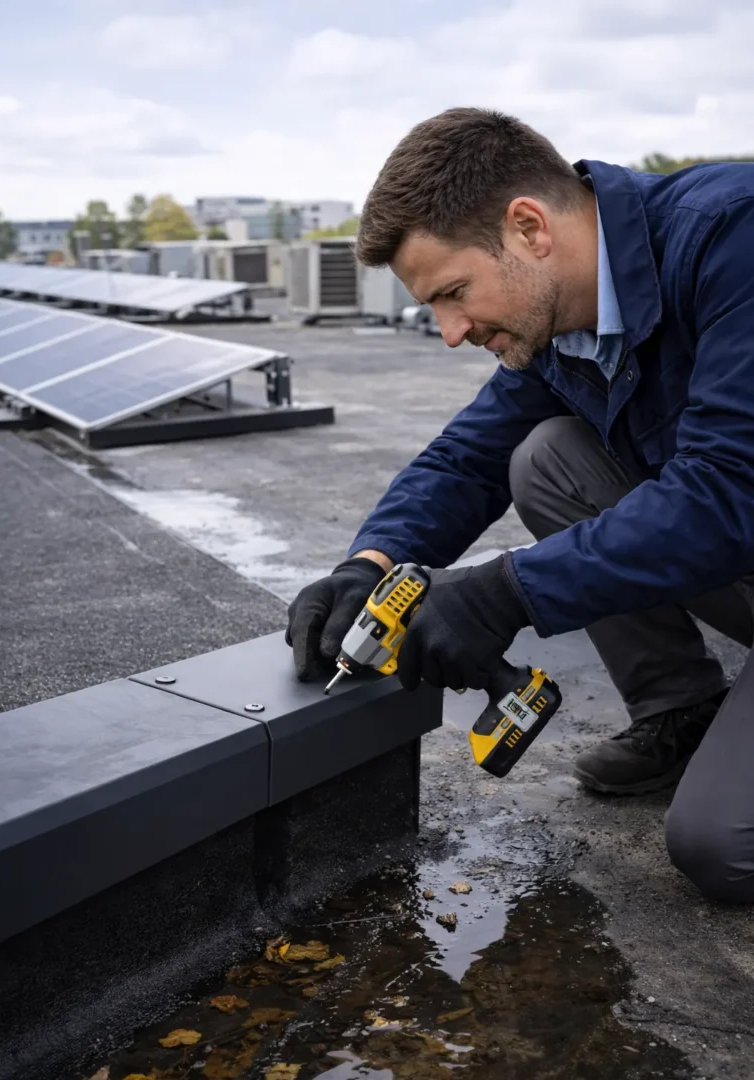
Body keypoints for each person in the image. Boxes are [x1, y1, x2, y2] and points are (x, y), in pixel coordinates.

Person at [286, 107, 754, 902]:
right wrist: (368, 565)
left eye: (455, 293)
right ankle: (686, 710)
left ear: (530, 228)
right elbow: (466, 460)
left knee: (722, 846)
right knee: (544, 457)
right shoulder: (563, 318)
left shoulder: (732, 240)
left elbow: (729, 493)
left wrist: (508, 593)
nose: (450, 331)